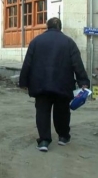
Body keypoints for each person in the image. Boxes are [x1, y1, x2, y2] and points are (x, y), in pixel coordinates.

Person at [19, 17, 90, 152]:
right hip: (63, 84)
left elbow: (27, 63)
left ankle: (44, 141)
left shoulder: (36, 41)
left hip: (41, 84)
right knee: (62, 112)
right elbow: (77, 64)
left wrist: (23, 82)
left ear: (47, 26)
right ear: (60, 27)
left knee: (42, 112)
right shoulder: (69, 43)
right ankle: (63, 137)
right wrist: (83, 82)